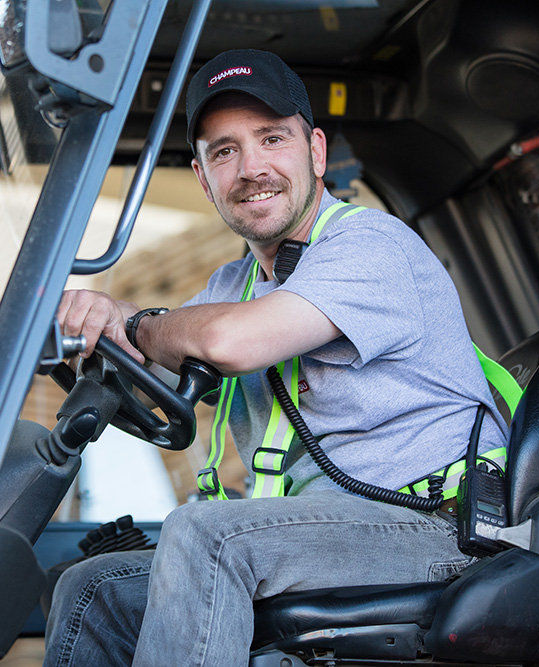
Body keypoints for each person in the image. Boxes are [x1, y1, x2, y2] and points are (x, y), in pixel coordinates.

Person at [45, 49, 507, 667]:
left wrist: (135, 320)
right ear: (203, 177)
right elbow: (161, 354)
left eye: (271, 138)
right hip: (320, 533)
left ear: (315, 151)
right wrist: (88, 327)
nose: (251, 168)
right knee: (93, 588)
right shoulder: (232, 285)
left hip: (438, 526)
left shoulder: (372, 245)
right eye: (225, 151)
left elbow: (226, 342)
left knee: (205, 535)